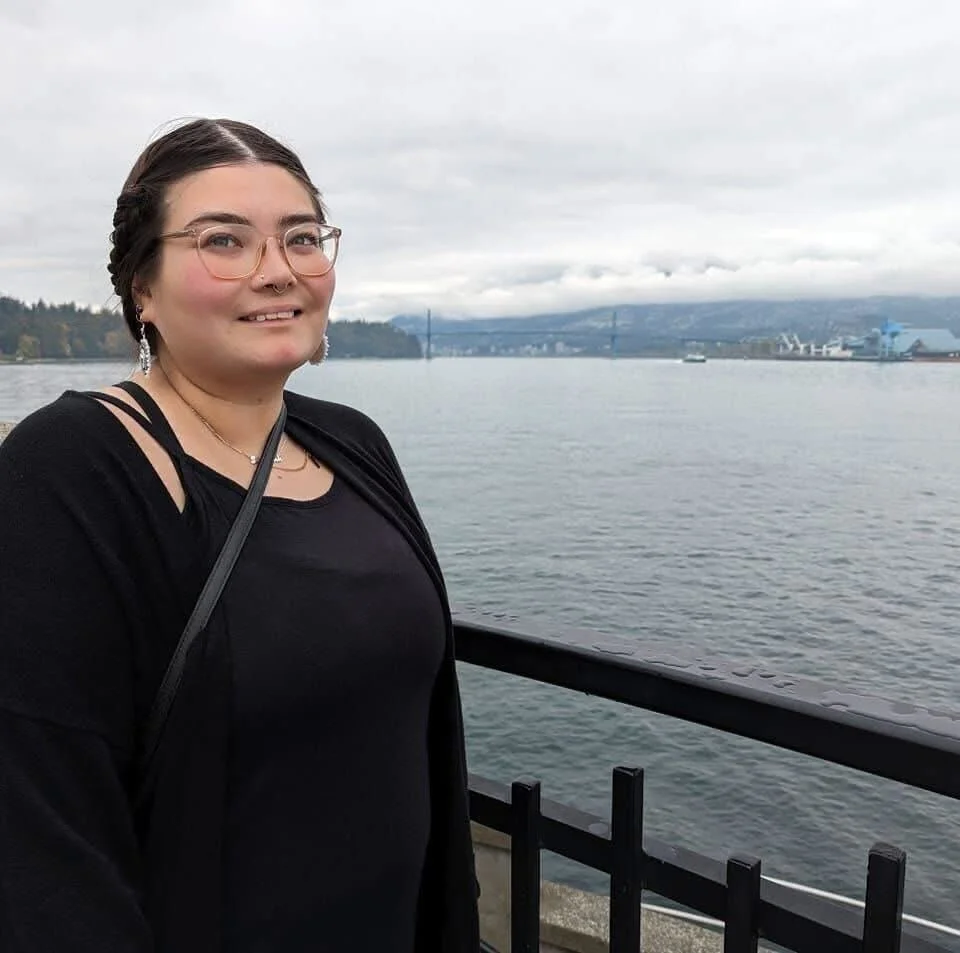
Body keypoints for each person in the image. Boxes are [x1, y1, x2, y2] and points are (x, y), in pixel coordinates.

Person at [0, 118, 480, 953]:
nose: (279, 271)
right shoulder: (71, 471)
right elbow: (44, 841)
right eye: (224, 239)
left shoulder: (354, 443)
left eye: (303, 237)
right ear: (140, 287)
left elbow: (427, 751)